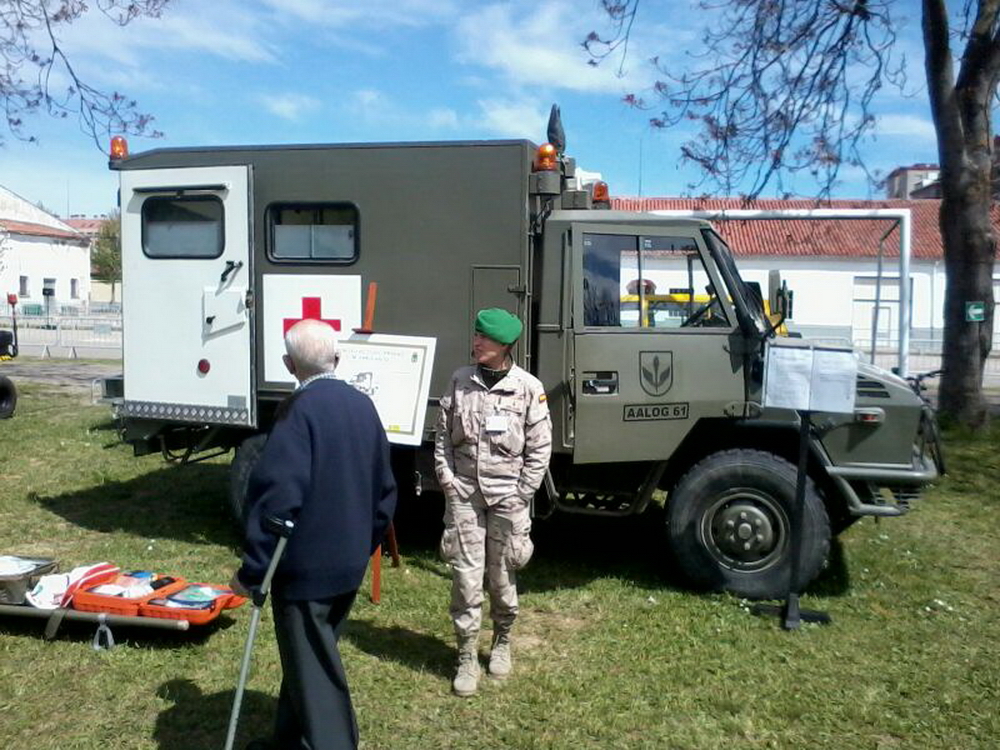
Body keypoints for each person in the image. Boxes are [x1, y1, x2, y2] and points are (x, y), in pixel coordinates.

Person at [230, 318, 397, 750]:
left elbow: (277, 502)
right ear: (337, 358)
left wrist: (252, 572)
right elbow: (385, 491)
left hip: (305, 570)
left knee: (316, 668)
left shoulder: (296, 411)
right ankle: (289, 742)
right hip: (348, 564)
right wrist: (364, 544)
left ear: (289, 364)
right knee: (309, 659)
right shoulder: (364, 406)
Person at [434, 308, 552, 697]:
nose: (476, 343)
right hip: (465, 495)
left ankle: (502, 640)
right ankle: (466, 655)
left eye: (485, 338)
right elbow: (442, 438)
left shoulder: (527, 387)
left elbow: (540, 449)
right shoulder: (459, 380)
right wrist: (449, 482)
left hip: (508, 499)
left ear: (504, 345)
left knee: (502, 579)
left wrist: (521, 494)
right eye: (476, 336)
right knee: (466, 580)